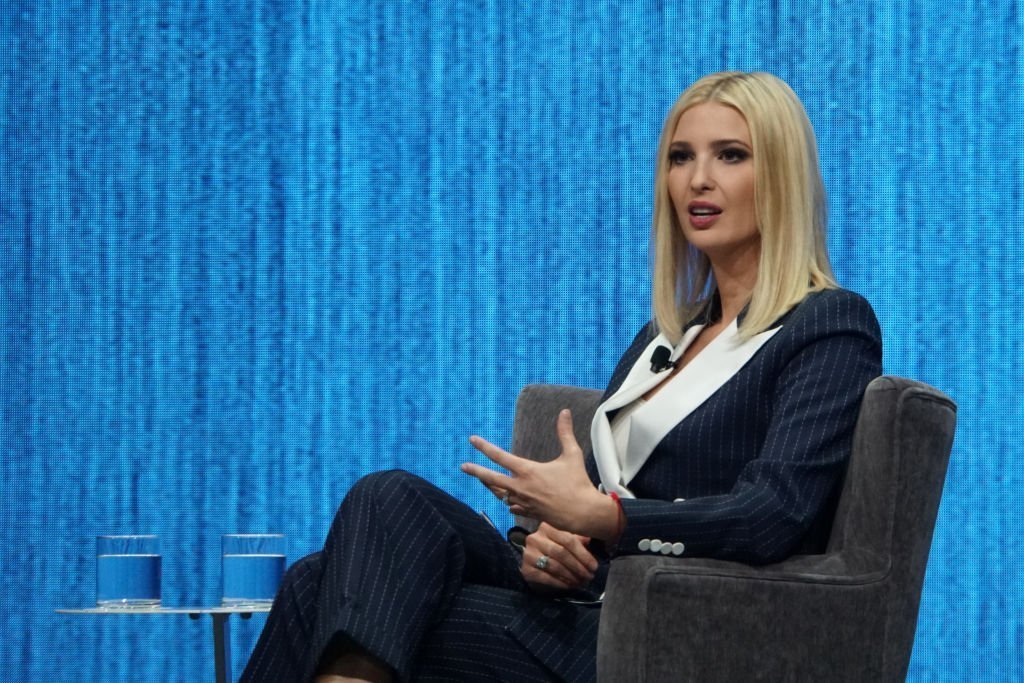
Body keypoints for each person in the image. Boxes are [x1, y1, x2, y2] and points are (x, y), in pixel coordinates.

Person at [240, 71, 882, 682]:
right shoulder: (665, 338)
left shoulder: (828, 325)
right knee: (377, 507)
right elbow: (591, 517)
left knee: (329, 592)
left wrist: (606, 520)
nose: (697, 181)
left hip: (669, 629)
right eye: (680, 157)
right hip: (586, 597)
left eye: (731, 156)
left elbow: (771, 514)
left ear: (782, 176)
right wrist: (548, 545)